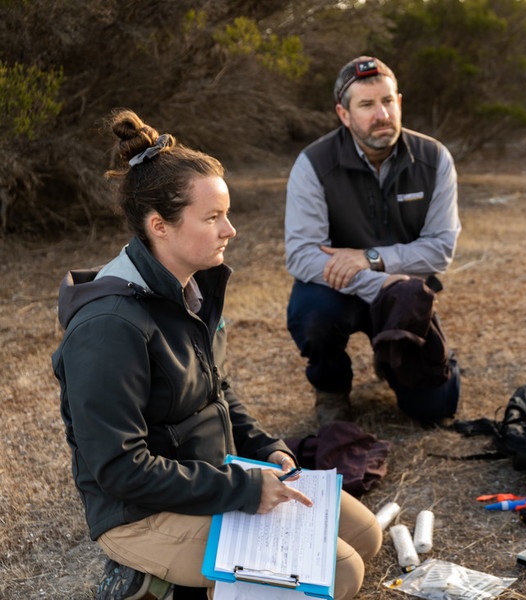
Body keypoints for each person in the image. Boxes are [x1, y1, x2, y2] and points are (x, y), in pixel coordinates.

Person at [52, 109, 381, 600]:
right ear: (159, 225)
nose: (230, 230)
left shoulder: (193, 284)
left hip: (210, 476)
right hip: (141, 511)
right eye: (212, 218)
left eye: (226, 213)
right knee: (341, 573)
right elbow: (119, 470)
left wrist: (265, 450)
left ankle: (194, 581)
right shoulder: (108, 327)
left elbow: (215, 391)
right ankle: (148, 578)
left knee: (365, 535)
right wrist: (245, 491)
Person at [285, 56, 462, 426]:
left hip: (403, 292)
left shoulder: (434, 159)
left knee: (435, 410)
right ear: (344, 114)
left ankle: (404, 359)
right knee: (312, 313)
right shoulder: (313, 164)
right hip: (339, 292)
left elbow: (440, 249)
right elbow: (302, 255)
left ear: (400, 102)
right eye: (366, 105)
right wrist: (379, 283)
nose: (381, 114)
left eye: (387, 101)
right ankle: (331, 389)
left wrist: (369, 258)